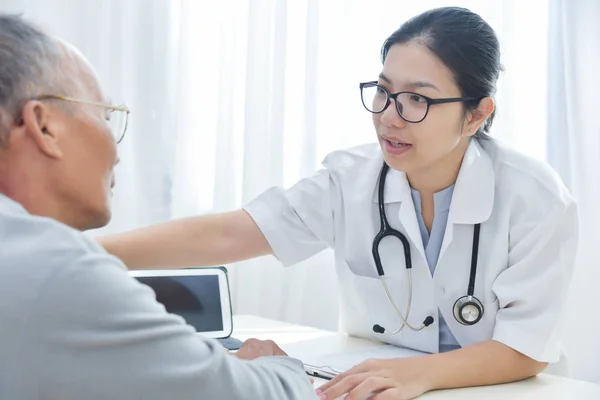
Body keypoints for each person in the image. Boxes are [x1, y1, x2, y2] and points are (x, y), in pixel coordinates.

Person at [100, 6, 578, 400]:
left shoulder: (533, 196)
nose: (390, 118)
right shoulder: (351, 178)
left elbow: (526, 348)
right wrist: (85, 253)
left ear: (476, 114)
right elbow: (235, 232)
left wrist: (422, 375)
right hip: (372, 386)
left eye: (417, 100)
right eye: (385, 92)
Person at [0, 14, 316, 400]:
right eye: (106, 115)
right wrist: (279, 365)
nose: (116, 154)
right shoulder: (54, 270)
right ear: (43, 125)